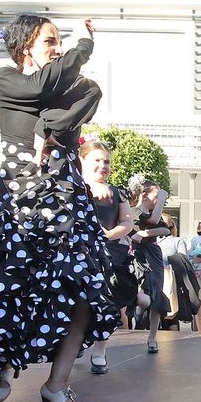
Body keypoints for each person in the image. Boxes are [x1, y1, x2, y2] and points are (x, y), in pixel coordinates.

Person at [0, 13, 114, 402]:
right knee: (11, 281)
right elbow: (38, 86)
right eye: (50, 40)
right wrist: (84, 47)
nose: (58, 47)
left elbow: (90, 94)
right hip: (20, 188)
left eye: (60, 41)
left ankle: (57, 388)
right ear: (25, 43)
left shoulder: (67, 87)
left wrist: (48, 126)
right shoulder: (6, 78)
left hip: (65, 189)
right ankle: (3, 366)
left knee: (84, 288)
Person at [80, 140, 144, 374]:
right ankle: (74, 342)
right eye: (97, 160)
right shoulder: (74, 187)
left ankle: (100, 351)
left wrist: (108, 234)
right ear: (83, 161)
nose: (102, 165)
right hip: (79, 254)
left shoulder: (117, 192)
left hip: (109, 255)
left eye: (106, 161)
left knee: (107, 304)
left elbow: (127, 222)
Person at [127, 174, 172, 349]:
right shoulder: (133, 211)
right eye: (156, 196)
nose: (159, 200)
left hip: (153, 253)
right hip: (137, 254)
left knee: (156, 298)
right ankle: (137, 316)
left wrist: (144, 234)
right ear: (145, 195)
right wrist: (161, 197)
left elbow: (165, 230)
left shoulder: (153, 214)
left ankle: (152, 337)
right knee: (144, 298)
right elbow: (151, 221)